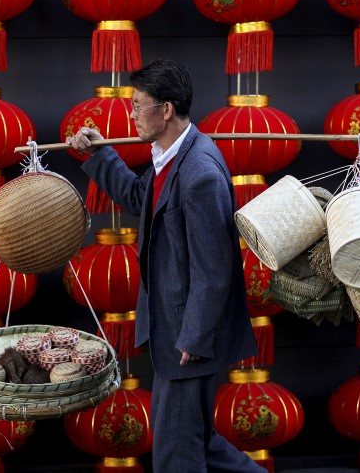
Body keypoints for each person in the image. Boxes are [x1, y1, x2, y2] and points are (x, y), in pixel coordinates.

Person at [66, 58, 267, 473]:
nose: (132, 114)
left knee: (177, 454)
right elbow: (142, 200)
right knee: (197, 441)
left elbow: (215, 271)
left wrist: (193, 338)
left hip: (188, 339)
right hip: (175, 331)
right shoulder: (168, 155)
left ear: (166, 110)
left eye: (139, 105)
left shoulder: (199, 173)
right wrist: (99, 155)